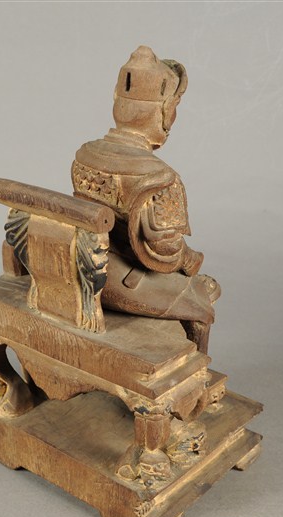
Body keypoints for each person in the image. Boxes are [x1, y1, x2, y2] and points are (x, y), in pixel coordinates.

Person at [72, 45, 220, 353]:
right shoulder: (159, 178)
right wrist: (189, 259)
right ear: (163, 111)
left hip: (82, 266)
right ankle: (194, 373)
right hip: (124, 282)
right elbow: (165, 254)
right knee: (206, 296)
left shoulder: (84, 157)